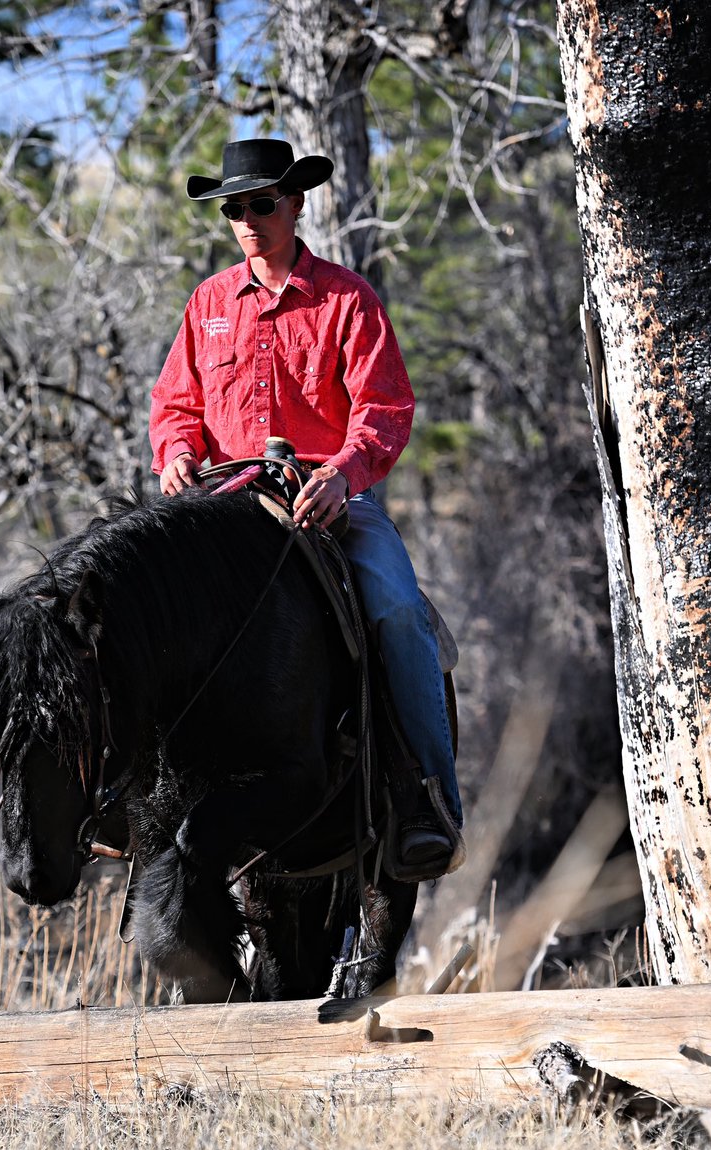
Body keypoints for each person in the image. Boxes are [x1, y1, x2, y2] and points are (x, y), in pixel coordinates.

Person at [149, 137, 463, 881]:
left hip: (327, 503)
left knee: (393, 610)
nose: (248, 220)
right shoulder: (209, 305)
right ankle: (139, 806)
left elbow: (384, 410)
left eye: (262, 204)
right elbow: (175, 405)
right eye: (235, 209)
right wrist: (175, 455)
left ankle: (427, 801)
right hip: (223, 509)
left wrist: (343, 477)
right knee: (146, 613)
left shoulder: (347, 298)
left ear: (295, 203)